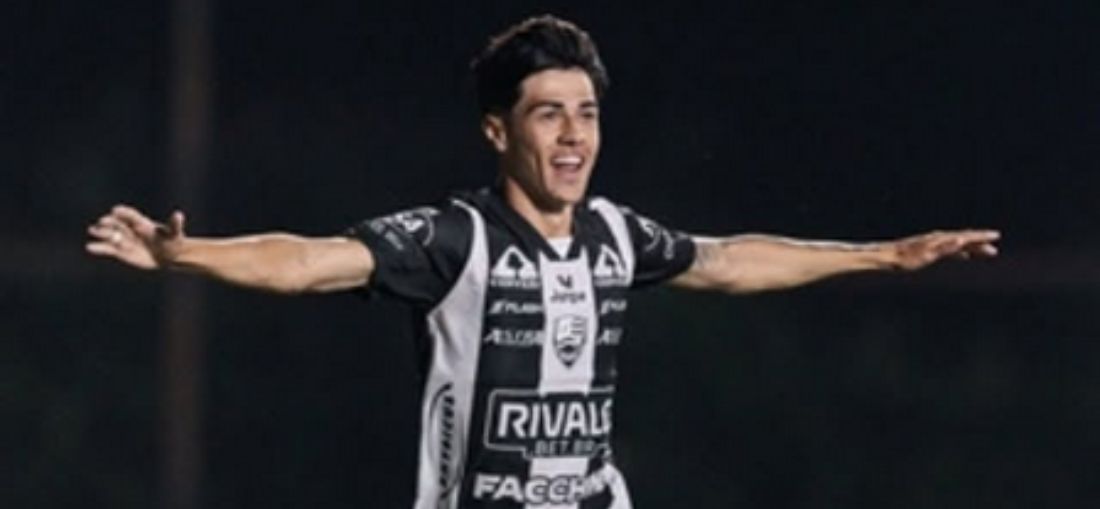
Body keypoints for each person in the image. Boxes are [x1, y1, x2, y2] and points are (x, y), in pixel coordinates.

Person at [86, 14, 999, 509]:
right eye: (549, 113)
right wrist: (182, 255)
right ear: (499, 131)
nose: (573, 135)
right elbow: (307, 261)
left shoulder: (614, 234)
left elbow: (725, 261)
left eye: (587, 113)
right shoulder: (456, 238)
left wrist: (883, 255)